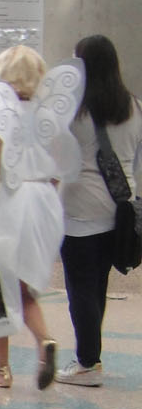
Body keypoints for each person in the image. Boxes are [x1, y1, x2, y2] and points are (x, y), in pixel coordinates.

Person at [0, 45, 83, 390]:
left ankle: (2, 371)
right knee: (24, 284)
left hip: (11, 201)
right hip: (45, 201)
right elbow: (61, 166)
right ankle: (44, 339)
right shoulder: (51, 116)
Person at [57, 34, 142, 386]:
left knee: (80, 288)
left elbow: (57, 158)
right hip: (121, 212)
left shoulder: (74, 113)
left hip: (79, 211)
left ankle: (86, 363)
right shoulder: (134, 106)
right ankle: (92, 356)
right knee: (98, 287)